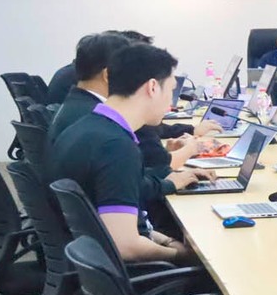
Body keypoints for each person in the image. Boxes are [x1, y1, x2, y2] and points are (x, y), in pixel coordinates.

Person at [48, 43, 197, 262]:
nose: (170, 101)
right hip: (127, 273)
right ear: (152, 87)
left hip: (90, 261)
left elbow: (114, 218)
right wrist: (184, 256)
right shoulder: (116, 147)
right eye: (171, 90)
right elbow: (126, 246)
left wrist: (167, 241)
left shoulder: (87, 127)